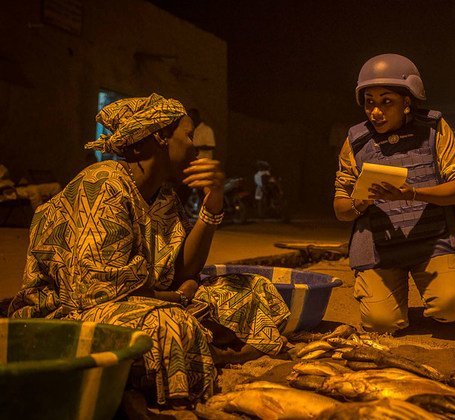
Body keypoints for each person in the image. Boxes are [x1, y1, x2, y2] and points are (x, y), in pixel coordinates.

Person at [9, 94, 290, 405]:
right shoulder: (102, 186)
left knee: (250, 290)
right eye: (188, 135)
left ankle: (204, 352)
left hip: (144, 300)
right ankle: (211, 356)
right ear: (158, 138)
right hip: (71, 317)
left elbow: (185, 270)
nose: (195, 146)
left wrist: (212, 204)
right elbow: (99, 293)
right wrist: (181, 296)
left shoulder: (165, 195)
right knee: (170, 323)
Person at [334, 54, 455, 334]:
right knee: (380, 324)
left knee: (450, 307)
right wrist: (361, 201)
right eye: (369, 102)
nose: (376, 111)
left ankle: (440, 292)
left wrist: (413, 193)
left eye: (387, 101)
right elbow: (340, 208)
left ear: (407, 101)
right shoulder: (356, 141)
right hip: (380, 248)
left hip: (432, 241)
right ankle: (391, 302)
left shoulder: (434, 130)